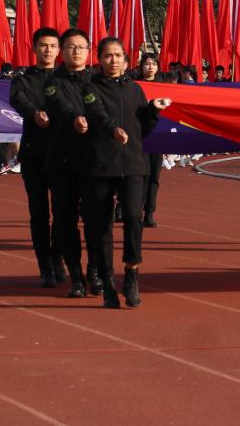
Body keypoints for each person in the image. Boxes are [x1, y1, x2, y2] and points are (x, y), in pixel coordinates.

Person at [81, 37, 169, 308]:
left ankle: (131, 273)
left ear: (126, 60)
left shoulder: (135, 90)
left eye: (118, 55)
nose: (113, 60)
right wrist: (113, 130)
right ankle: (107, 282)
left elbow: (143, 129)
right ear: (99, 59)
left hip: (132, 164)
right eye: (108, 55)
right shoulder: (90, 88)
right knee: (101, 226)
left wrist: (153, 110)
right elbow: (96, 115)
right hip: (100, 165)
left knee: (133, 217)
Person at [44, 29, 103, 297]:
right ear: (62, 51)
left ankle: (94, 271)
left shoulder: (98, 80)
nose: (76, 51)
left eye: (81, 47)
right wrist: (76, 118)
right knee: (65, 220)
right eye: (70, 47)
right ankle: (76, 277)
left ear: (89, 52)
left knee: (95, 220)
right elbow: (60, 105)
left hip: (95, 161)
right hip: (63, 161)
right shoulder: (52, 82)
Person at [9, 27, 64, 286]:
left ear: (59, 49)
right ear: (34, 48)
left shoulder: (67, 79)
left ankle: (58, 256)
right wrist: (34, 112)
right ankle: (45, 265)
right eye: (43, 45)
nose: (48, 50)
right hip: (34, 155)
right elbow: (18, 100)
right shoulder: (23, 80)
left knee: (63, 212)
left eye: (53, 46)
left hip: (64, 155)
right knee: (39, 212)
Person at [135, 52, 164, 228]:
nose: (150, 67)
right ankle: (134, 210)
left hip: (158, 137)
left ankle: (149, 212)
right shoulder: (135, 87)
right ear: (141, 67)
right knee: (139, 176)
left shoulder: (164, 87)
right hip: (139, 137)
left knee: (154, 177)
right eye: (147, 64)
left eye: (153, 64)